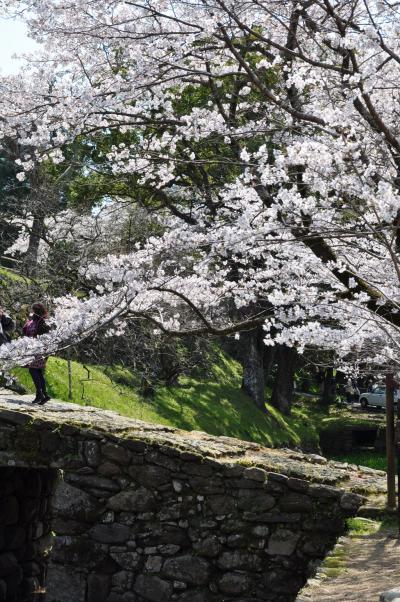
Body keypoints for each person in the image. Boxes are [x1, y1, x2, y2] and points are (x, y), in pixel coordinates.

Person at [23, 303, 51, 405]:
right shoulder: (35, 321)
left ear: (36, 311)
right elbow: (27, 331)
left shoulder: (42, 322)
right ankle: (44, 394)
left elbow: (45, 337)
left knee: (33, 370)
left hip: (38, 351)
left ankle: (40, 395)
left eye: (33, 310)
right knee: (38, 372)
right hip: (33, 350)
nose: (32, 312)